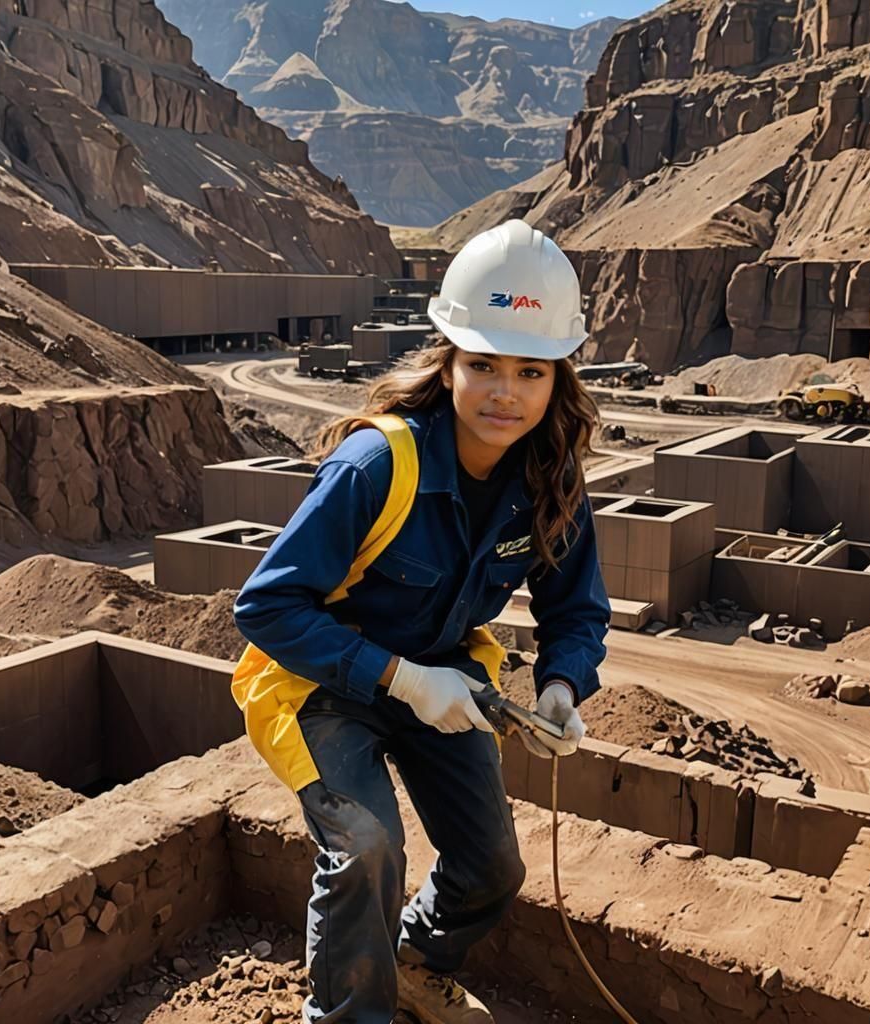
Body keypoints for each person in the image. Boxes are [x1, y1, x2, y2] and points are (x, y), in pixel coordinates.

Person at [232, 219, 611, 1024]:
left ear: (558, 380)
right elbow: (265, 605)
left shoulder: (550, 480)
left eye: (530, 371)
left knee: (491, 865)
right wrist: (399, 679)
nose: (504, 391)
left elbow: (575, 608)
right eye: (482, 365)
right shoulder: (378, 465)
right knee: (368, 849)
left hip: (447, 681)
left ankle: (414, 962)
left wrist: (560, 685)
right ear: (448, 362)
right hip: (322, 684)